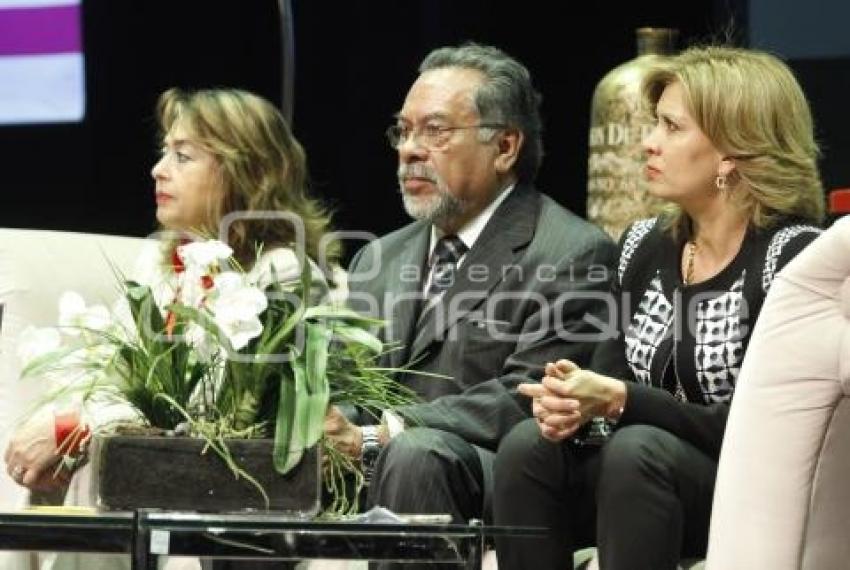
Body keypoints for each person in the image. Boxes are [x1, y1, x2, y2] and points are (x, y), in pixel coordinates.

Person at [493, 45, 826, 570]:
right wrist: (573, 404)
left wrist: (623, 400)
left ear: (731, 152)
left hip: (743, 485)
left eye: (671, 128)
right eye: (654, 124)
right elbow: (609, 376)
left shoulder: (792, 256)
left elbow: (764, 428)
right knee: (525, 448)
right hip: (637, 477)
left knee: (637, 451)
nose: (648, 143)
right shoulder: (644, 244)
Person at [4, 87, 338, 570]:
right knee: (49, 480)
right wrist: (69, 424)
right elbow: (109, 374)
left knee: (94, 473)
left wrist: (80, 428)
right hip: (146, 474)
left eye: (183, 156)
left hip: (228, 489)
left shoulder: (283, 274)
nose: (158, 169)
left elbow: (217, 411)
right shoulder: (156, 263)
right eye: (165, 152)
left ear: (242, 170)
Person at [324, 41, 617, 551]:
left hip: (490, 473)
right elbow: (345, 382)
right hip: (369, 464)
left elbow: (528, 397)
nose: (409, 149)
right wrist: (326, 426)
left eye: (435, 131)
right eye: (404, 129)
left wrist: (385, 433)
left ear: (505, 147)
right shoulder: (378, 258)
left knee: (415, 455)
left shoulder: (571, 251)